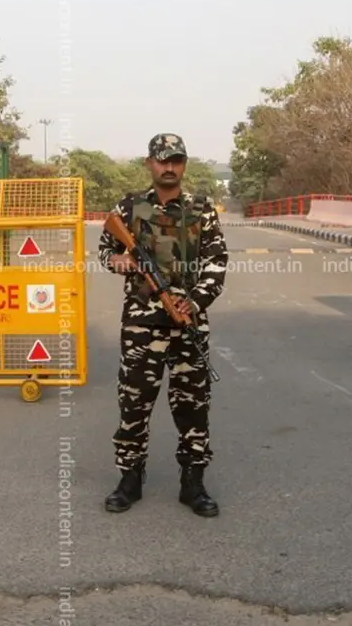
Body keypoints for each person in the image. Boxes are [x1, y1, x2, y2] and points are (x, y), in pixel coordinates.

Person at [97, 133, 229, 517]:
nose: (169, 167)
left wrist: (193, 302)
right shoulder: (129, 206)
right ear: (149, 163)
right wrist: (121, 261)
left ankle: (193, 483)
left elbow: (216, 264)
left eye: (176, 160)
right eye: (162, 160)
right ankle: (129, 479)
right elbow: (106, 250)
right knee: (134, 403)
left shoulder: (201, 209)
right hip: (141, 325)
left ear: (184, 164)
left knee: (193, 405)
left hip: (188, 323)